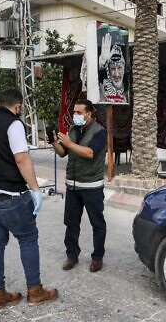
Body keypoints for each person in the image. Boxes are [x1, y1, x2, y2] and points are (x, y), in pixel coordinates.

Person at [0, 88, 57, 310]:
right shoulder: (14, 124)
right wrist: (35, 189)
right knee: (28, 239)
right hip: (10, 195)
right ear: (18, 106)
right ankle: (35, 291)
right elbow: (21, 158)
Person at [51, 99, 107, 273]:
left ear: (88, 114)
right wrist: (54, 142)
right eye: (74, 112)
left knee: (97, 224)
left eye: (79, 112)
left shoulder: (100, 132)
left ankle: (97, 257)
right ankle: (72, 255)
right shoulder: (73, 130)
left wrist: (69, 144)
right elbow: (63, 153)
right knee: (71, 223)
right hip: (73, 187)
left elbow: (90, 153)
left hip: (91, 186)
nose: (75, 115)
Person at [98, 33, 127, 103]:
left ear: (124, 68)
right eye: (113, 68)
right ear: (108, 70)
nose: (116, 74)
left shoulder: (128, 88)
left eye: (119, 67)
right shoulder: (102, 86)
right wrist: (102, 61)